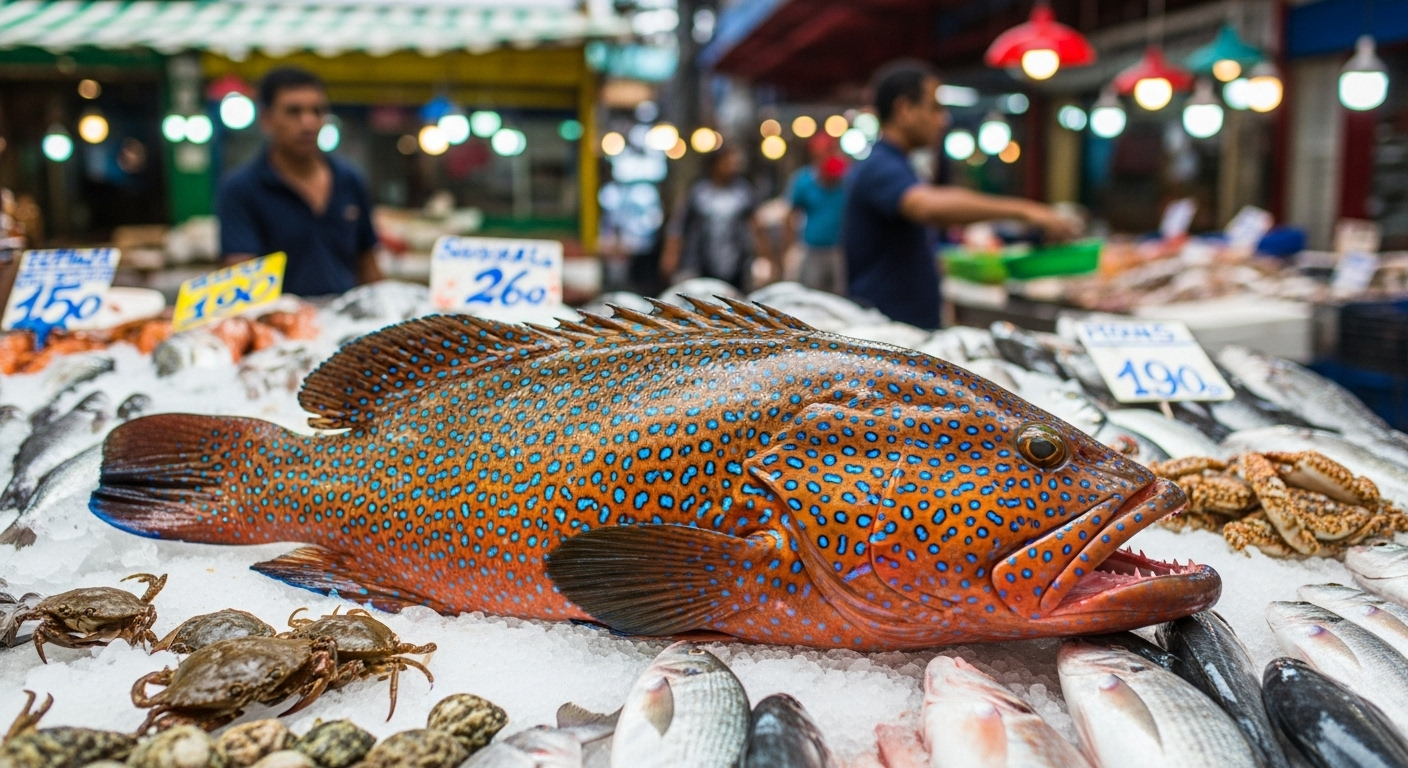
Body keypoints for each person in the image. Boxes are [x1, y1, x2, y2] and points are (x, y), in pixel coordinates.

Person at [843, 61, 1077, 330]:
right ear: (904, 109)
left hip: (903, 329)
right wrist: (1026, 211)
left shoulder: (899, 165)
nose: (944, 119)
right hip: (888, 334)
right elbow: (926, 206)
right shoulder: (880, 166)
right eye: (935, 108)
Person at [217, 67, 381, 297]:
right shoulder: (241, 188)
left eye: (317, 111)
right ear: (267, 119)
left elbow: (368, 266)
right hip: (279, 326)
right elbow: (241, 281)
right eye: (294, 112)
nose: (308, 123)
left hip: (350, 325)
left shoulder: (350, 180)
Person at [660, 144, 774, 291]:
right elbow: (678, 226)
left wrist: (765, 257)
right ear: (714, 164)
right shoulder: (698, 192)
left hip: (737, 264)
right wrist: (671, 254)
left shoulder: (743, 192)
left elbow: (757, 227)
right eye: (727, 161)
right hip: (700, 263)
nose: (732, 165)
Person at [784, 134, 848, 295]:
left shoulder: (844, 177)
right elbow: (790, 214)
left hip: (840, 250)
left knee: (841, 296)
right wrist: (791, 248)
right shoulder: (803, 179)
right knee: (813, 295)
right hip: (812, 248)